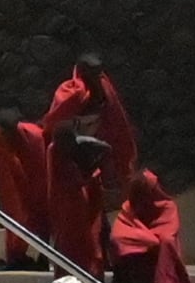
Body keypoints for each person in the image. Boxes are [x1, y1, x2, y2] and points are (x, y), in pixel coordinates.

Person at [42, 53, 138, 200]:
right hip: (76, 145)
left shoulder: (104, 86)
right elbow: (55, 121)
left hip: (100, 137)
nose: (97, 79)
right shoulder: (70, 93)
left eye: (98, 74)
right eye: (92, 75)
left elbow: (115, 115)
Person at [108, 168, 195, 283]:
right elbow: (120, 233)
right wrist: (147, 240)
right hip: (137, 253)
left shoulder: (167, 206)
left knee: (167, 242)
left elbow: (167, 233)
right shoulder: (130, 206)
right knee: (120, 241)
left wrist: (150, 240)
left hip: (158, 247)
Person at [0, 107, 48, 264]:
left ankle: (45, 253)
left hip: (36, 174)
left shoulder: (35, 136)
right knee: (15, 212)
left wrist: (37, 195)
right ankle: (15, 252)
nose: (8, 136)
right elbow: (4, 179)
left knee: (43, 211)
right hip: (13, 173)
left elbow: (41, 169)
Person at [41, 128, 112, 276]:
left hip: (78, 202)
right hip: (66, 204)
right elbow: (67, 183)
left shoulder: (80, 147)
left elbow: (106, 148)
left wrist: (93, 167)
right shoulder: (56, 155)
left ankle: (90, 274)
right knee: (70, 243)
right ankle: (70, 275)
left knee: (85, 241)